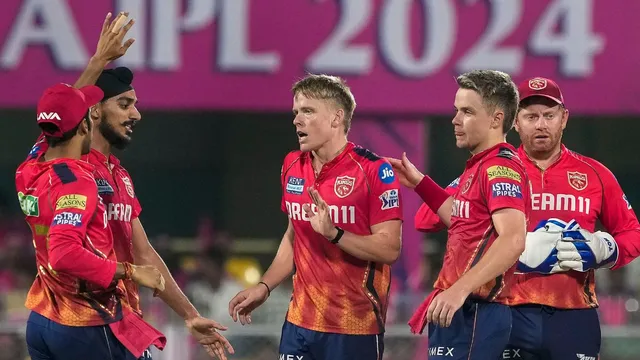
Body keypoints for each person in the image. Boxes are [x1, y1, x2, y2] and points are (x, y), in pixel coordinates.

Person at [25, 12, 234, 359]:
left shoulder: (119, 176)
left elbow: (144, 252)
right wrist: (97, 62)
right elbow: (60, 114)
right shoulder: (66, 167)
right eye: (124, 104)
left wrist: (190, 315)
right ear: (92, 113)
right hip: (87, 322)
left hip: (101, 321)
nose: (136, 114)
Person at [415, 77, 640, 359]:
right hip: (509, 311)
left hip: (574, 315)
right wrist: (512, 243)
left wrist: (606, 251)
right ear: (515, 122)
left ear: (564, 118)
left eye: (549, 115)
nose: (541, 124)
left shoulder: (595, 174)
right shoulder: (496, 167)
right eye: (531, 116)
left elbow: (632, 232)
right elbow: (426, 219)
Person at [228, 74, 403, 360]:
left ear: (337, 118)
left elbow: (390, 248)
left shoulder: (374, 171)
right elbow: (293, 236)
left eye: (308, 111)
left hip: (354, 326)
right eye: (296, 112)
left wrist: (335, 234)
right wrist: (265, 286)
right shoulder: (291, 165)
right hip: (299, 324)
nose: (297, 120)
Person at [17, 82, 167, 359]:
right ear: (86, 125)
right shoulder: (77, 182)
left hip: (42, 319)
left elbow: (57, 119)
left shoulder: (29, 169)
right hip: (84, 321)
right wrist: (132, 271)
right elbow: (64, 254)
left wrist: (98, 61)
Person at [389, 70, 530, 360]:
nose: (455, 120)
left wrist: (458, 291)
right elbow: (461, 219)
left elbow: (514, 239)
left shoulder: (500, 168)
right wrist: (420, 183)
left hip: (476, 309)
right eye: (456, 110)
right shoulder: (477, 167)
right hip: (462, 307)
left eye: (467, 112)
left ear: (496, 119)